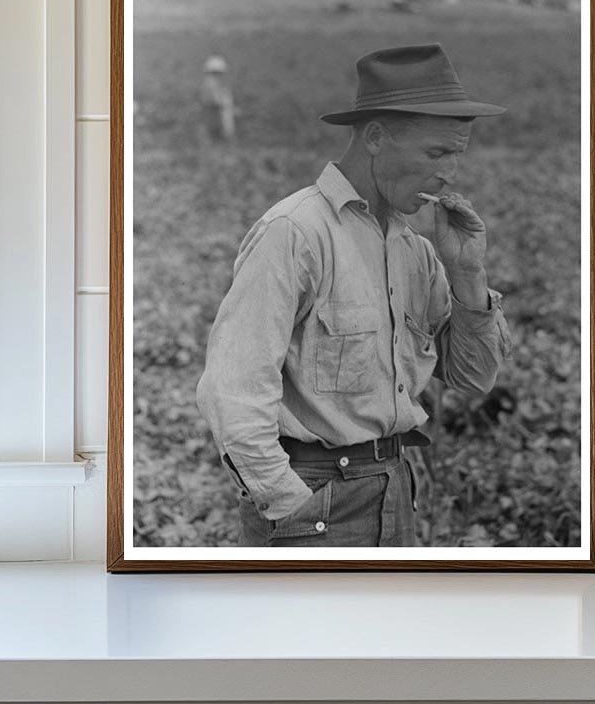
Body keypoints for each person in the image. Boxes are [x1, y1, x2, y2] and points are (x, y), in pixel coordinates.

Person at [196, 43, 512, 547]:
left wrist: (468, 273)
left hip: (395, 490)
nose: (450, 173)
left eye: (457, 154)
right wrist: (290, 505)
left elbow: (472, 378)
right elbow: (233, 391)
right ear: (376, 138)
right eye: (436, 153)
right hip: (311, 500)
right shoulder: (294, 233)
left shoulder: (415, 250)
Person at [199, 55, 236, 143]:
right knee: (220, 136)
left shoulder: (213, 83)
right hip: (216, 114)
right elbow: (216, 101)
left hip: (217, 113)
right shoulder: (211, 84)